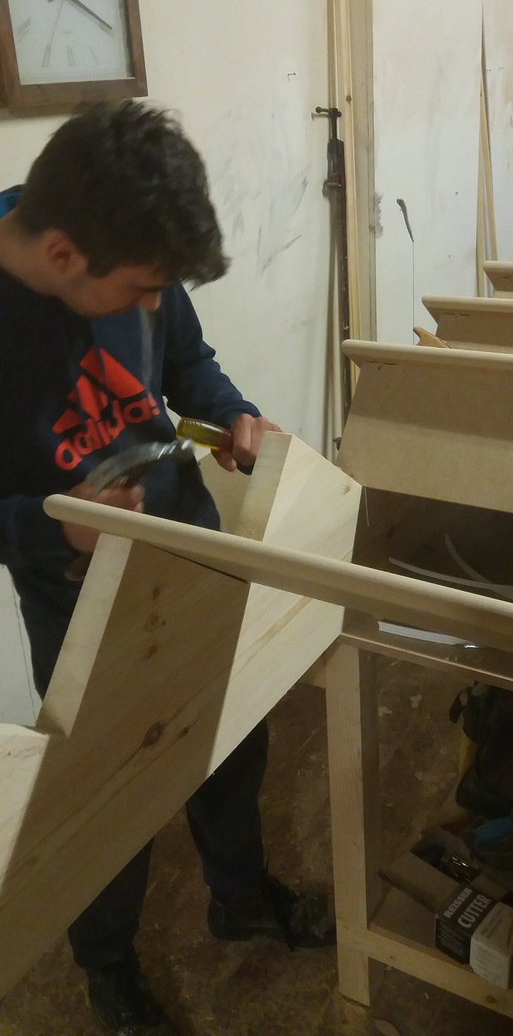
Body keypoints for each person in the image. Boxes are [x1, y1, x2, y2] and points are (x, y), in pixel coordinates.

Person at [0, 101, 333, 1036]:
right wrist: (57, 531)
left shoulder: (124, 239)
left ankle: (239, 898)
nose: (153, 304)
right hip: (76, 591)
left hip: (187, 543)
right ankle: (109, 973)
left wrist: (234, 415)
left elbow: (187, 362)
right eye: (142, 289)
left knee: (230, 736)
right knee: (106, 794)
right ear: (64, 256)